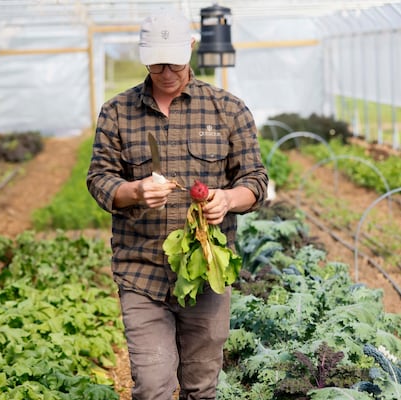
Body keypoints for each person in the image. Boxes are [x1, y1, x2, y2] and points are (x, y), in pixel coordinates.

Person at [86, 8, 268, 400]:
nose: (167, 73)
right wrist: (133, 191)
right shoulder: (117, 112)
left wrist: (228, 200)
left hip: (206, 273)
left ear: (191, 47)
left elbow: (255, 180)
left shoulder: (228, 109)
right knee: (152, 386)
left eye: (175, 62)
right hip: (142, 273)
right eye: (156, 65)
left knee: (201, 387)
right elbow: (99, 179)